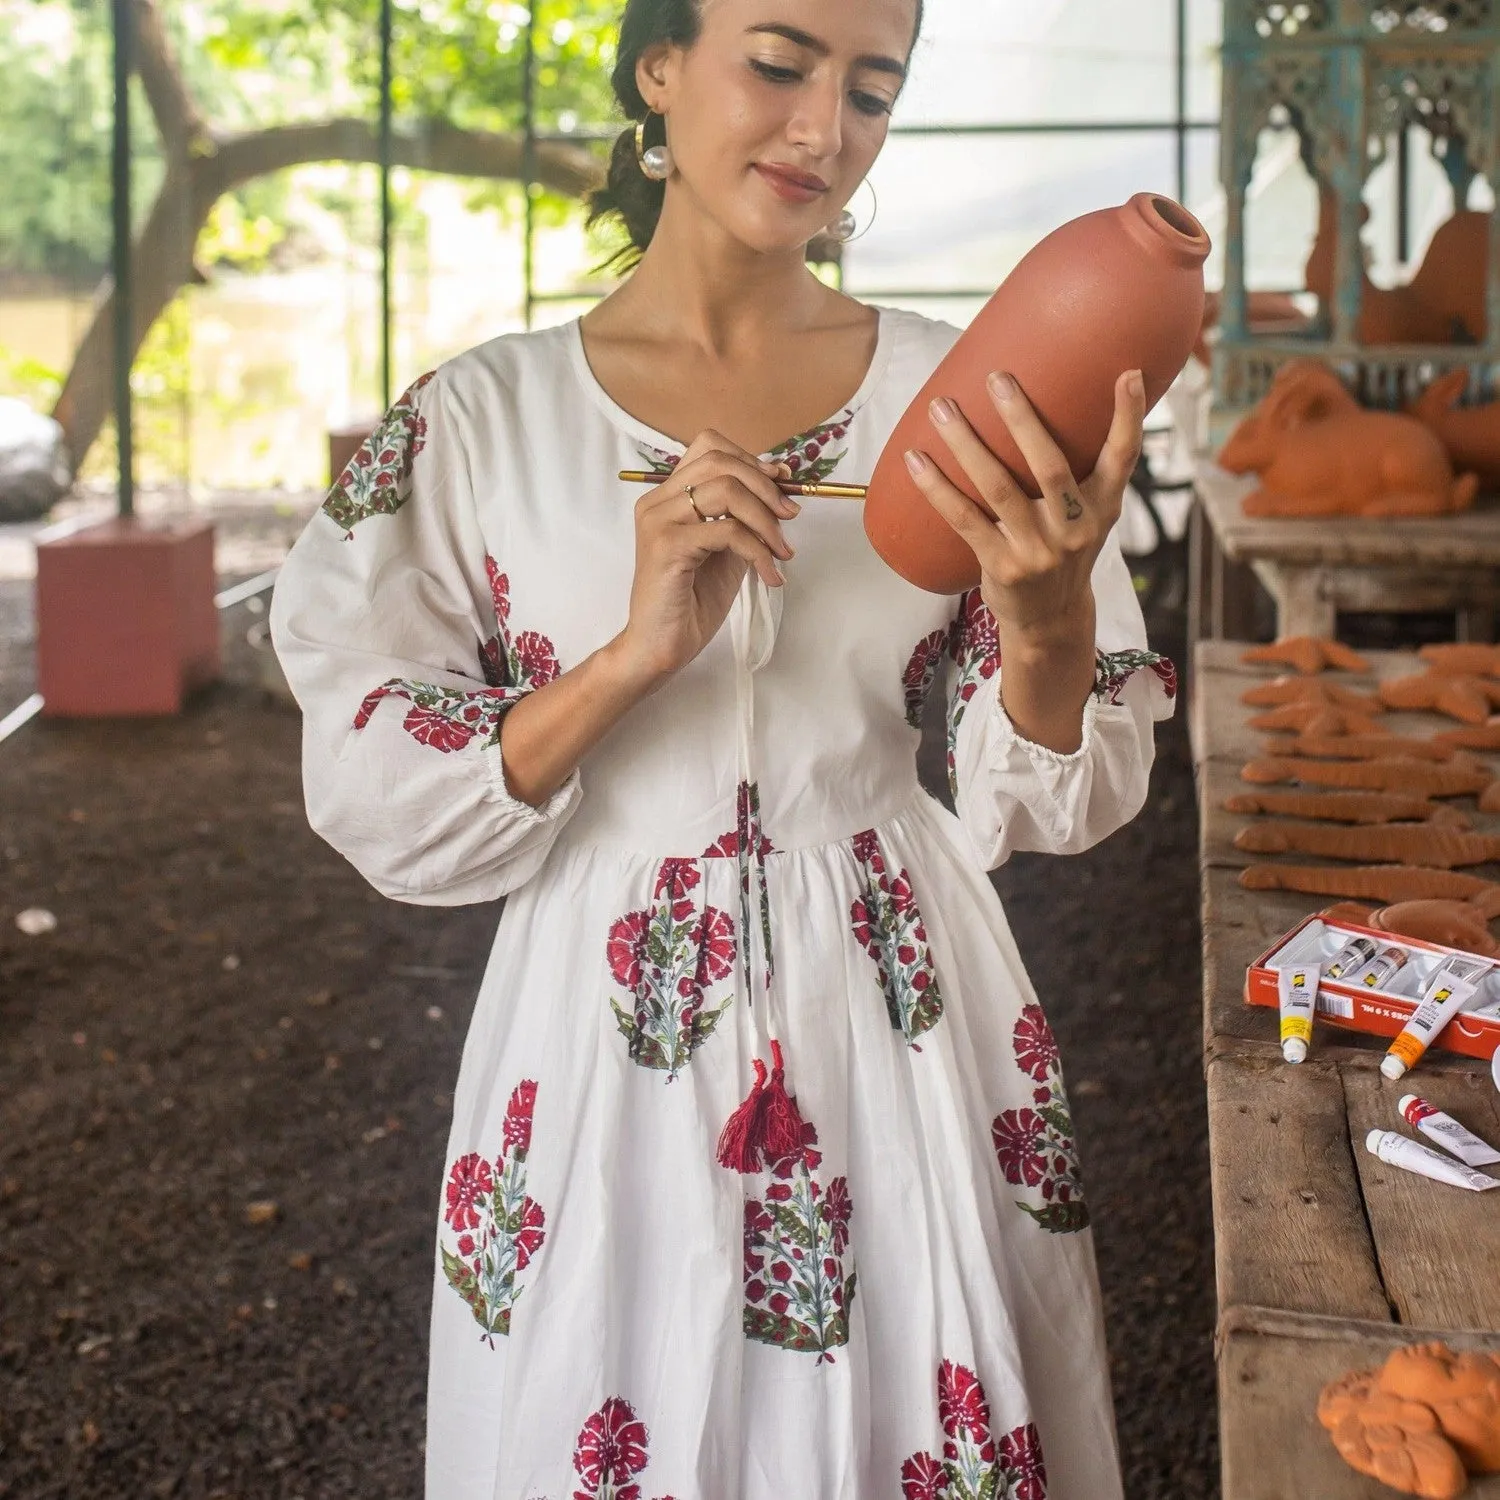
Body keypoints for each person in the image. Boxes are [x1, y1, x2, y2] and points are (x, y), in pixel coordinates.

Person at [270, 0, 1176, 1494]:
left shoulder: (963, 404)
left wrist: (1050, 618)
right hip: (602, 1035)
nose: (825, 129)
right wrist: (632, 659)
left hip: (899, 1011)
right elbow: (368, 766)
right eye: (779, 63)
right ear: (658, 65)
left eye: (872, 89)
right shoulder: (482, 423)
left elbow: (1059, 792)